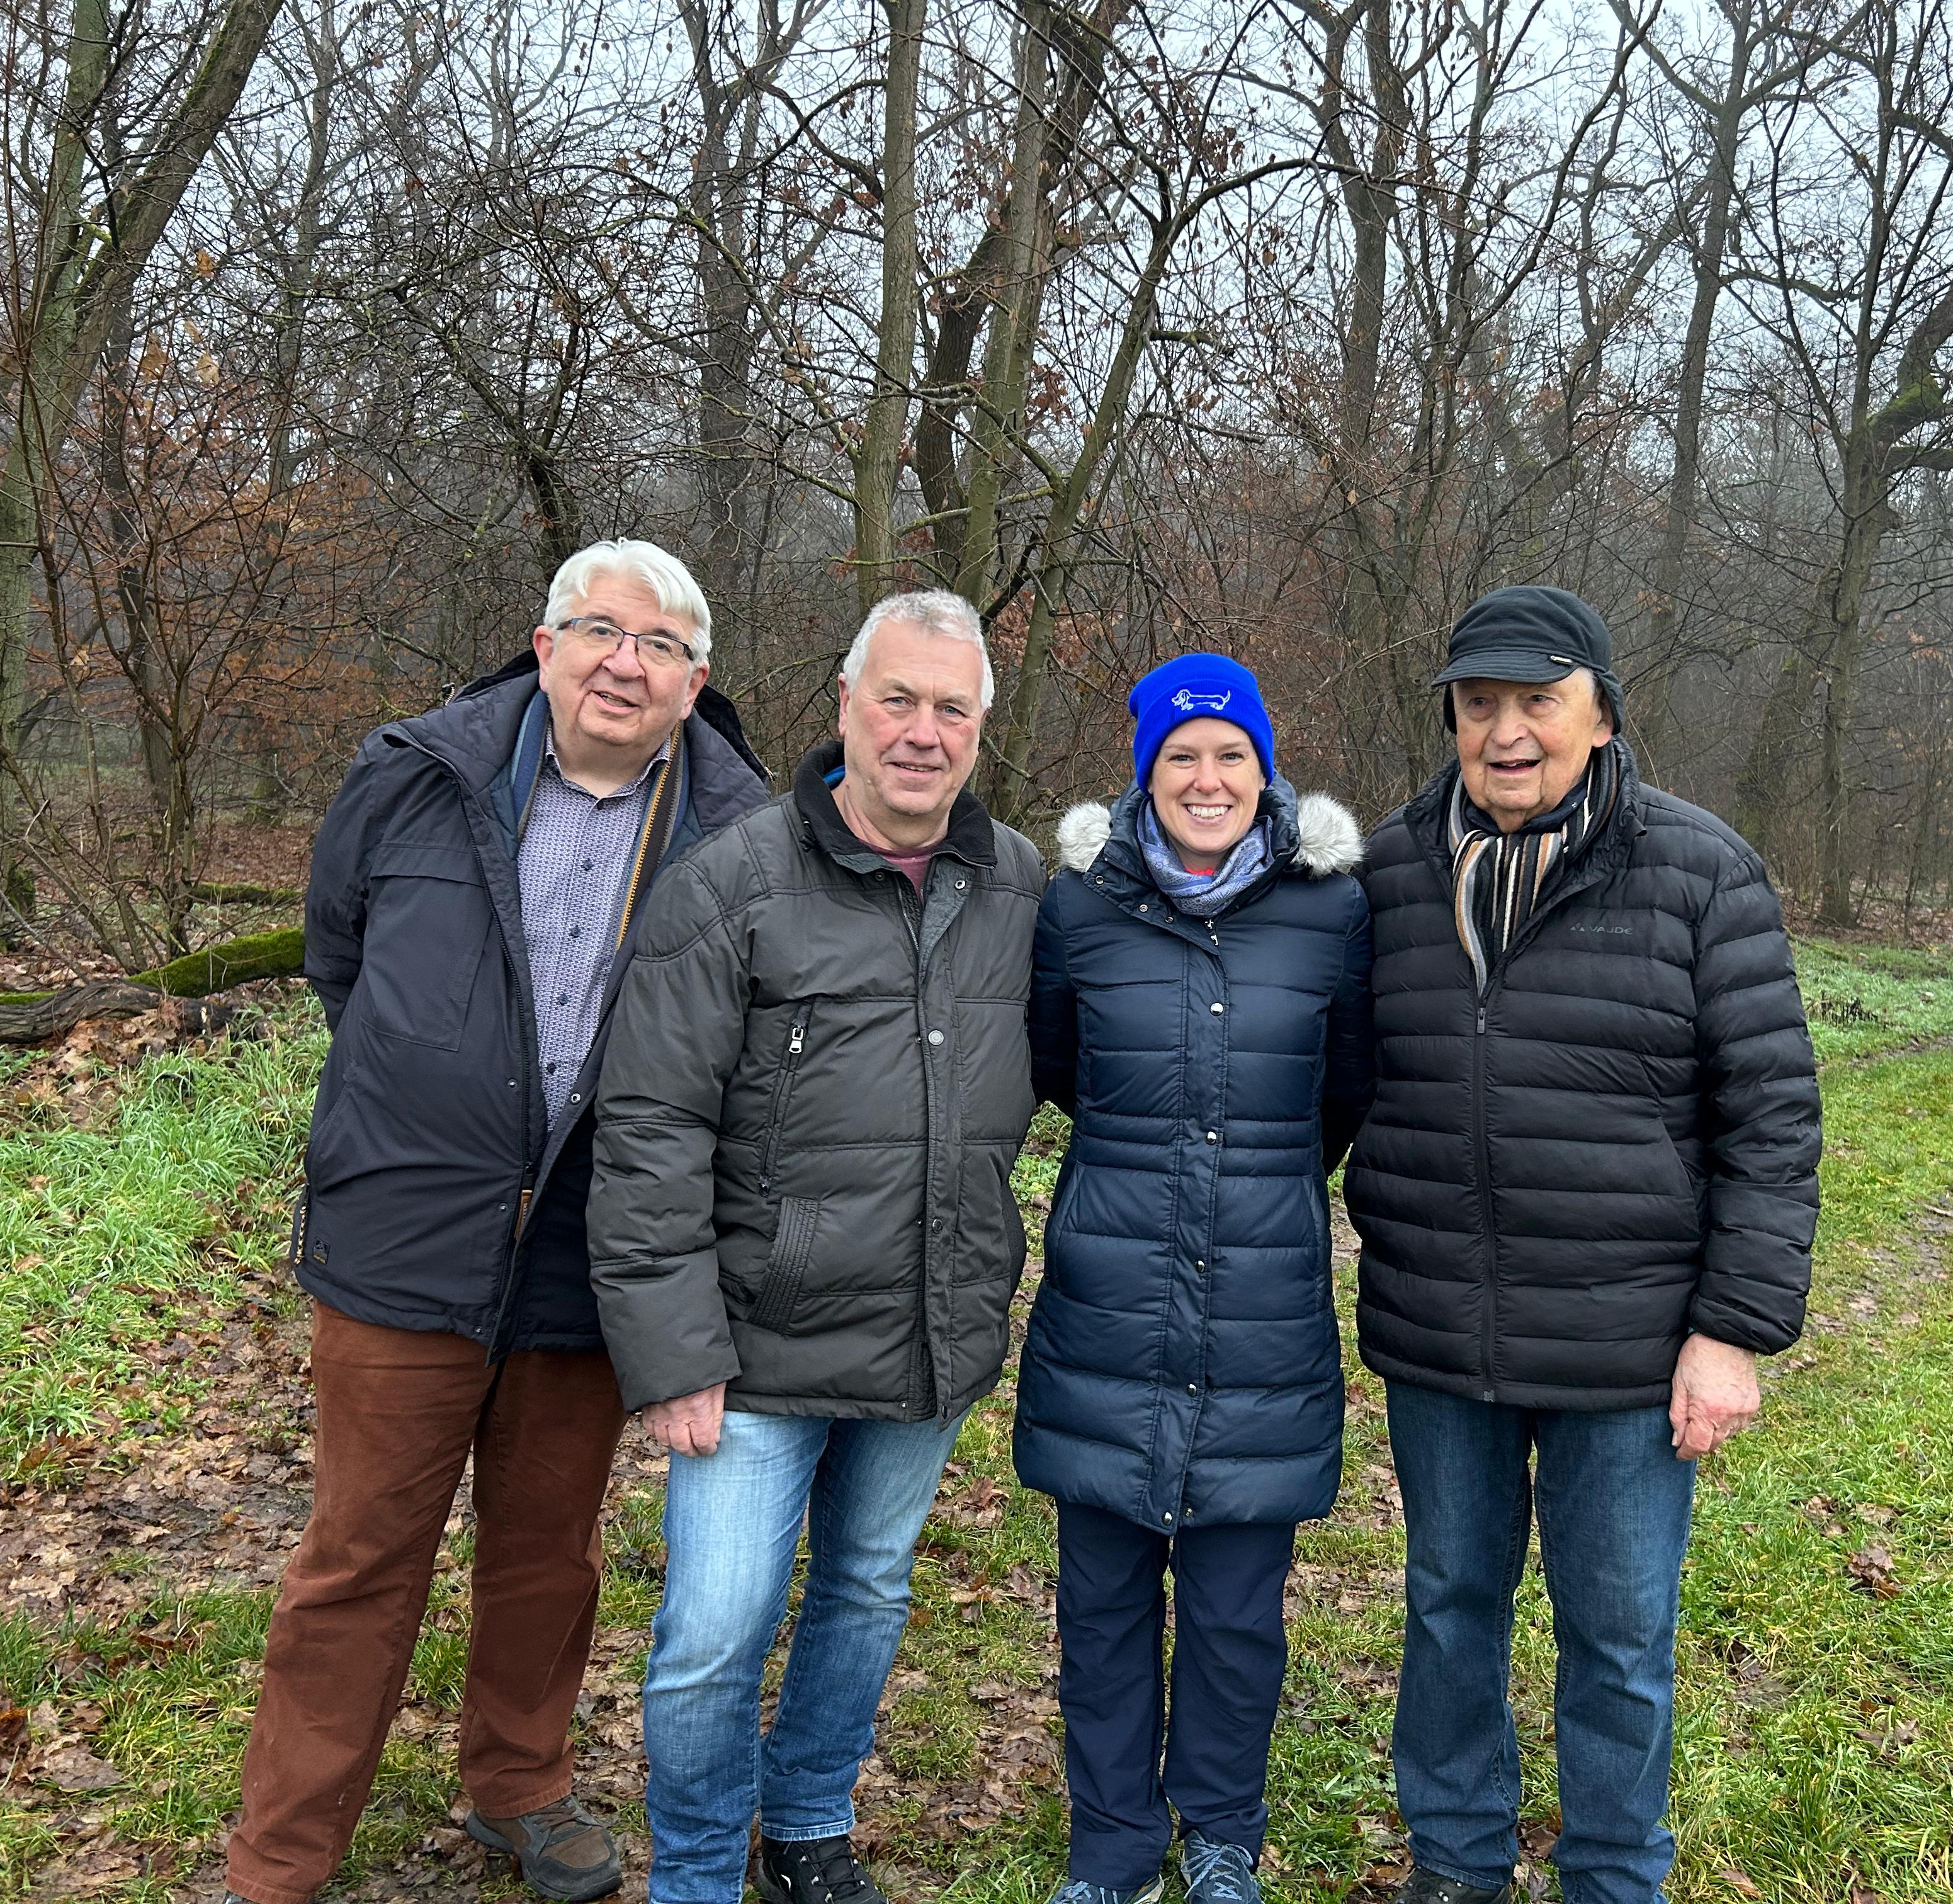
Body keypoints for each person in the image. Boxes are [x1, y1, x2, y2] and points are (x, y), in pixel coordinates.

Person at [229, 540, 770, 1904]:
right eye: (599, 630)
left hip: (597, 1245)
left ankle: (516, 1784)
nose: (623, 662)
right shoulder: (415, 777)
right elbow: (338, 953)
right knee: (358, 1555)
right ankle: (281, 1855)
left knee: (548, 1551)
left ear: (695, 683)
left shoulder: (740, 831)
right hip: (409, 1229)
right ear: (544, 646)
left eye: (658, 647)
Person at [1344, 586, 1821, 1904]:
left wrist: (1733, 1331)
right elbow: (1325, 1081)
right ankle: (1456, 1856)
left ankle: (1612, 1871)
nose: (1506, 732)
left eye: (1537, 702)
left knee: (1617, 1638)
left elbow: (1773, 1114)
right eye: (1479, 704)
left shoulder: (1698, 869)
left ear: (1601, 716)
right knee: (1449, 1608)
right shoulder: (1389, 874)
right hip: (1446, 1328)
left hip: (1631, 1340)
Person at [586, 589, 1044, 1904]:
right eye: (896, 698)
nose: (921, 731)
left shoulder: (1013, 884)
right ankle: (692, 1871)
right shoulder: (731, 883)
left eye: (951, 708)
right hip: (753, 1343)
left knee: (865, 1590)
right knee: (714, 1633)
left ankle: (806, 1828)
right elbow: (650, 1126)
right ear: (845, 704)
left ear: (978, 731)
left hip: (927, 1322)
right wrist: (673, 1354)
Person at [1017, 655, 1374, 1904]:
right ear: (1145, 776)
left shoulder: (1336, 911)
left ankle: (1222, 1832)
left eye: (1231, 756)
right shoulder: (1078, 906)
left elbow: (1346, 1089)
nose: (1207, 779)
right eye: (1182, 757)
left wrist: (1260, 1184)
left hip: (1263, 1312)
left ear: (1264, 771)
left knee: (1234, 1614)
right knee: (1102, 1604)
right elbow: (1062, 1065)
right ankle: (1112, 1846)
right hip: (1106, 1304)